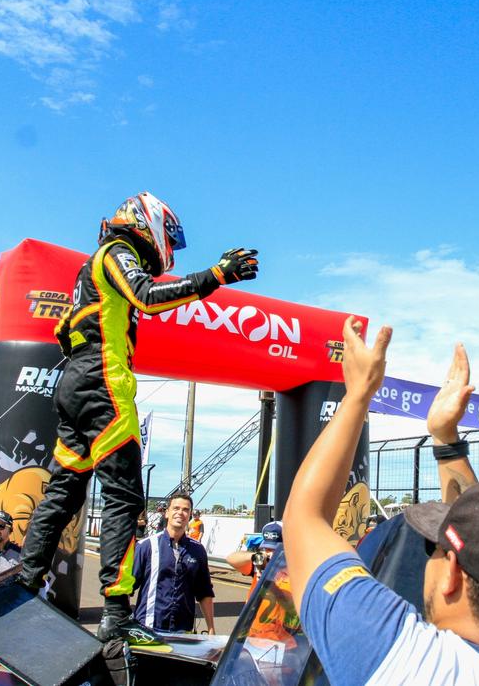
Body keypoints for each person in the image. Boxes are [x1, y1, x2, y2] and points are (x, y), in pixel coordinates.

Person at [282, 319, 479, 685]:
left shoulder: (402, 659)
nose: (427, 557)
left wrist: (358, 395)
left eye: (435, 549)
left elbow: (305, 517)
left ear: (453, 573)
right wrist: (446, 441)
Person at [17, 192, 258, 640]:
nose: (167, 250)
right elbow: (146, 297)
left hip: (73, 383)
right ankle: (115, 609)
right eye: (169, 238)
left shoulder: (91, 266)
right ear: (149, 225)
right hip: (105, 379)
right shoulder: (117, 252)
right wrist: (217, 275)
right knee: (124, 497)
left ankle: (24, 582)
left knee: (64, 493)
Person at [131, 492, 216, 635]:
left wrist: (211, 629)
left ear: (189, 515)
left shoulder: (198, 550)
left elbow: (204, 592)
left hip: (183, 632)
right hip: (148, 630)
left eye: (185, 510)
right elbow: (127, 588)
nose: (180, 513)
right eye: (176, 508)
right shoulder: (146, 546)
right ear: (167, 513)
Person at [227, 520, 283, 594]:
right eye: (267, 549)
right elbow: (230, 558)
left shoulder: (297, 570)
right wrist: (255, 557)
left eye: (275, 549)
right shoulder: (261, 563)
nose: (269, 553)